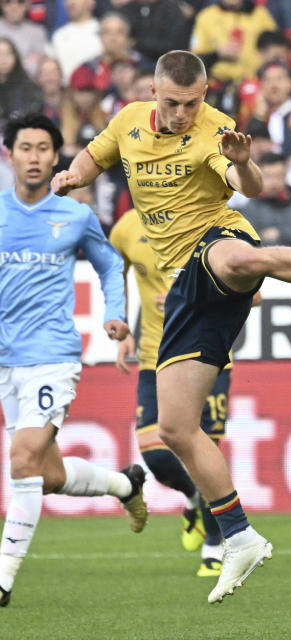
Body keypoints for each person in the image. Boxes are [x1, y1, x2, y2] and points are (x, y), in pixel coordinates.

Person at [51, 50, 291, 604]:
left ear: (207, 95)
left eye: (193, 103)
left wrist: (242, 162)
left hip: (214, 241)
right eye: (172, 103)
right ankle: (238, 534)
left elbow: (253, 189)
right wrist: (73, 175)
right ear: (152, 91)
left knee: (237, 259)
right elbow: (98, 156)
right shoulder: (125, 123)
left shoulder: (216, 130)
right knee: (174, 429)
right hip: (184, 293)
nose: (183, 113)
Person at [0, 113, 147, 607]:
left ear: (56, 156)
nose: (35, 157)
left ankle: (2, 579)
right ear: (11, 154)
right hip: (6, 362)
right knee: (48, 475)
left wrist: (116, 314)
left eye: (44, 148)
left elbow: (109, 265)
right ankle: (126, 484)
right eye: (26, 148)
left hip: (53, 357)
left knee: (21, 461)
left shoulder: (75, 215)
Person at [110, 209, 234, 577]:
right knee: (157, 454)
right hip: (154, 356)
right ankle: (195, 500)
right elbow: (111, 275)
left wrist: (194, 298)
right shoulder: (126, 228)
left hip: (207, 356)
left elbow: (251, 293)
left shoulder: (214, 223)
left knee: (206, 452)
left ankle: (214, 546)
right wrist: (121, 324)